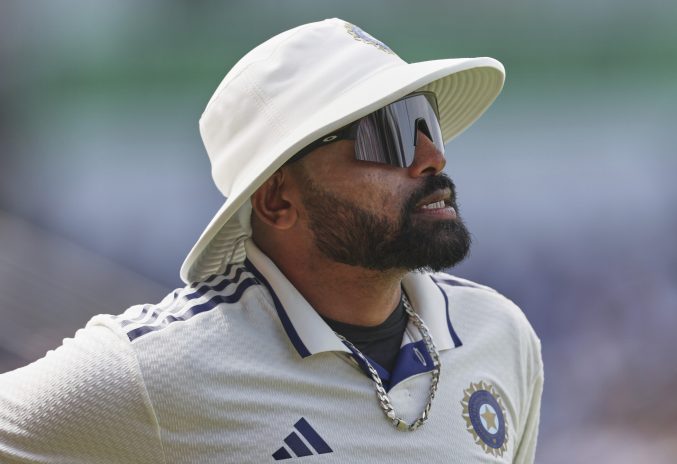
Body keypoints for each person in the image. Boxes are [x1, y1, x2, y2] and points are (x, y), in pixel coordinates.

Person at [0, 18, 542, 463]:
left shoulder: (501, 333)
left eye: (427, 122)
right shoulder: (158, 366)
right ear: (278, 201)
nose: (432, 158)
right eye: (389, 133)